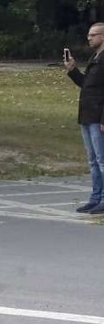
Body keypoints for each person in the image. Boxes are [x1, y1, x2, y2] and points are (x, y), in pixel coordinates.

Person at [65, 22, 104, 214]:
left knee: (102, 159)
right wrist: (73, 71)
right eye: (89, 35)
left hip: (98, 116)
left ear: (103, 37)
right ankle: (95, 197)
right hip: (87, 114)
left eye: (93, 35)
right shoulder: (94, 58)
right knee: (92, 160)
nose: (89, 38)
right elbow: (87, 85)